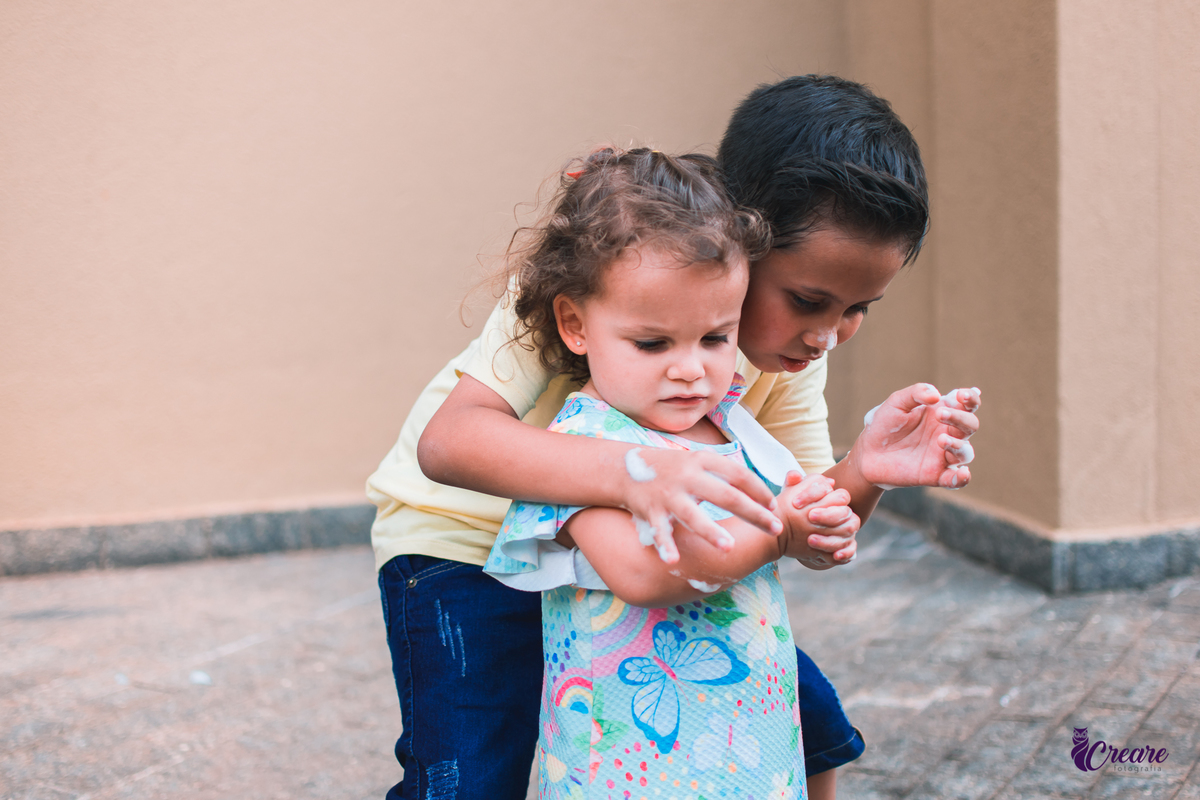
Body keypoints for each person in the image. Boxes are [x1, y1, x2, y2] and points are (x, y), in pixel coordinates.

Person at [369, 75, 981, 800]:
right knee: (467, 776)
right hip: (463, 544)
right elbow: (452, 444)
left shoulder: (789, 356)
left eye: (859, 310)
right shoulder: (604, 272)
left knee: (809, 718)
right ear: (740, 239)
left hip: (659, 551)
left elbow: (801, 522)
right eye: (809, 301)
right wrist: (633, 472)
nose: (827, 334)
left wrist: (866, 471)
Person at [481, 145, 841, 798]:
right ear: (575, 324)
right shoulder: (585, 442)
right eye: (653, 343)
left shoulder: (731, 421)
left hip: (748, 747)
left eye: (715, 337)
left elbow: (807, 516)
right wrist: (780, 536)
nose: (691, 368)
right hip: (636, 766)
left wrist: (868, 470)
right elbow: (643, 574)